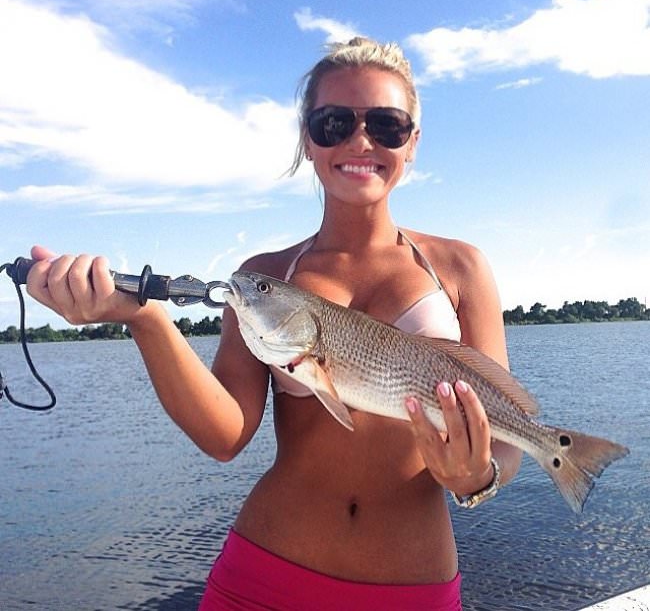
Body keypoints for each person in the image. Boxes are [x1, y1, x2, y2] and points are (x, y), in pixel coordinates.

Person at [27, 37, 521, 610]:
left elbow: (506, 437)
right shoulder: (263, 279)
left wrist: (475, 478)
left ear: (412, 143)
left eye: (386, 125)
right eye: (334, 122)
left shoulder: (461, 267)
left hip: (412, 588)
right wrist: (146, 320)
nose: (360, 141)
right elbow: (226, 434)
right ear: (308, 141)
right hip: (261, 577)